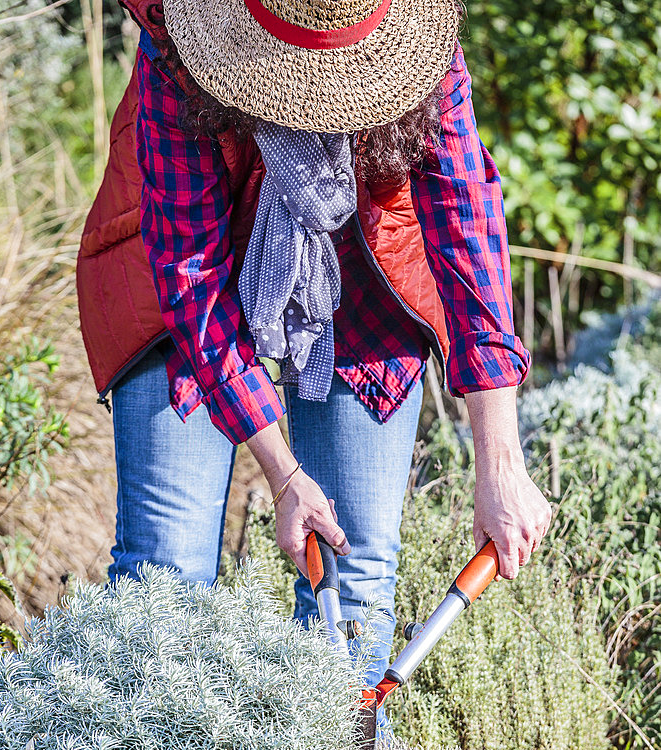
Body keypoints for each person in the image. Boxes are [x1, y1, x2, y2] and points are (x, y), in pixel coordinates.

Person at [76, 0, 552, 693]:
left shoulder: (424, 53)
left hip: (361, 273)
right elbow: (190, 281)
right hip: (183, 286)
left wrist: (501, 464)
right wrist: (283, 473)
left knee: (351, 585)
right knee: (164, 579)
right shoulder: (179, 44)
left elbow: (468, 242)